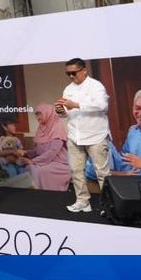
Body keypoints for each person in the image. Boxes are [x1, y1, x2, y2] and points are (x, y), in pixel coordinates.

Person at [55, 57, 111, 213]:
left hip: (95, 135)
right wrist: (61, 111)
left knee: (102, 173)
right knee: (76, 171)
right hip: (74, 135)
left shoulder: (96, 86)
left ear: (84, 70)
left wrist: (76, 104)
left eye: (74, 73)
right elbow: (66, 113)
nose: (71, 76)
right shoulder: (68, 89)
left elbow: (102, 105)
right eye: (68, 74)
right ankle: (82, 201)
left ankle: (109, 205)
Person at [21, 104, 72, 191]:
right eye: (36, 115)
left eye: (39, 114)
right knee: (28, 168)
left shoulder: (58, 126)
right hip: (45, 161)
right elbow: (39, 150)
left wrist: (33, 161)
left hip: (59, 162)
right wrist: (26, 152)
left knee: (41, 171)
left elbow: (52, 151)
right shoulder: (41, 127)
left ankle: (48, 196)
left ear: (47, 113)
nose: (37, 118)